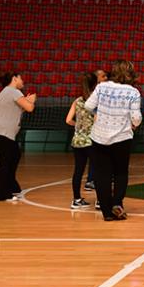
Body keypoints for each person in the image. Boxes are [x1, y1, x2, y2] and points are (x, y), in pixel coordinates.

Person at [85, 60, 142, 221]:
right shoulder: (133, 92)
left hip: (99, 137)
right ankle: (117, 203)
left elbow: (88, 106)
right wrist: (133, 124)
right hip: (122, 138)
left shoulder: (102, 87)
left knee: (101, 175)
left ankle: (106, 212)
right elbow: (136, 118)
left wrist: (102, 113)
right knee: (120, 173)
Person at [0, 71, 36, 201]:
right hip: (4, 133)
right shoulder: (14, 91)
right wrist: (31, 101)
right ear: (14, 79)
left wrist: (26, 102)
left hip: (4, 133)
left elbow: (19, 108)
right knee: (6, 162)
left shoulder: (6, 91)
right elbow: (30, 108)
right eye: (21, 78)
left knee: (14, 156)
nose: (23, 81)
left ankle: (12, 187)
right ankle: (2, 193)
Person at [65, 72, 97, 209]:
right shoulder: (94, 101)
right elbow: (97, 120)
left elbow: (68, 120)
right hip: (91, 141)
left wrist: (79, 126)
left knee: (78, 170)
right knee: (98, 170)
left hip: (77, 140)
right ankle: (100, 200)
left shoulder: (77, 101)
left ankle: (76, 199)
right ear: (95, 85)